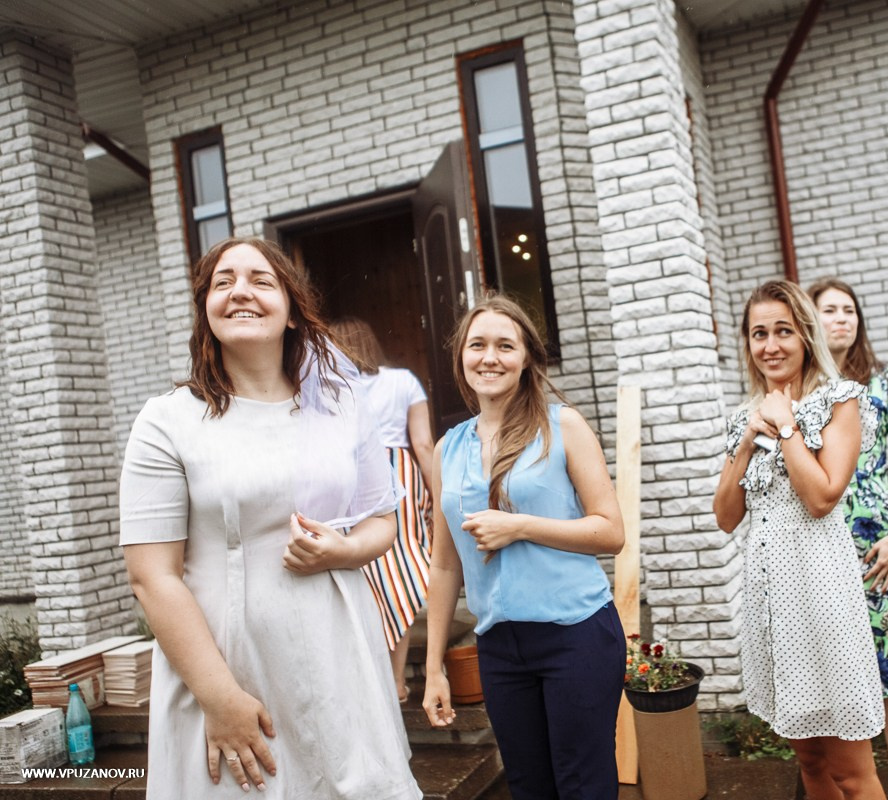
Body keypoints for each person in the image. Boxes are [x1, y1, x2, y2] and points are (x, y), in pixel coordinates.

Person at [119, 237, 422, 799]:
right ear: (206, 309)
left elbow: (383, 520)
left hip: (338, 651)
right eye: (223, 282)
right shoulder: (167, 421)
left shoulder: (342, 406)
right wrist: (219, 698)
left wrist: (344, 550)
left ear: (291, 310)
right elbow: (152, 576)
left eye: (261, 280)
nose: (241, 291)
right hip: (229, 666)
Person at [421, 295, 625, 800]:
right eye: (477, 345)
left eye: (505, 346)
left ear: (527, 357)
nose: (489, 357)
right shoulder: (448, 449)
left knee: (583, 788)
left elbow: (610, 532)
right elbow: (444, 566)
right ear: (461, 357)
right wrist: (433, 667)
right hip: (499, 647)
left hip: (576, 636)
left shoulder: (563, 426)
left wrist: (520, 526)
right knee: (529, 788)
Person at [713, 279, 886, 800]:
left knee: (852, 772)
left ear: (806, 335)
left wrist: (786, 428)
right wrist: (748, 438)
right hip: (772, 606)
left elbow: (822, 497)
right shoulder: (743, 416)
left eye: (783, 331)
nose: (770, 346)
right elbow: (726, 516)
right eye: (759, 333)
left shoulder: (840, 400)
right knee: (810, 760)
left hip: (822, 599)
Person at [809, 277, 888, 800]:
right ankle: (845, 781)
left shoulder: (883, 384)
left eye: (849, 310)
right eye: (830, 310)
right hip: (816, 551)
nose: (842, 318)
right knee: (829, 671)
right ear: (811, 320)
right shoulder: (802, 388)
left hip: (881, 551)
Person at [330, 317, 436, 703]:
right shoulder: (404, 381)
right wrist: (438, 494)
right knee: (401, 573)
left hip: (354, 479)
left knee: (373, 578)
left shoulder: (332, 387)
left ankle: (379, 680)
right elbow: (423, 444)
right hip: (401, 476)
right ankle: (397, 679)